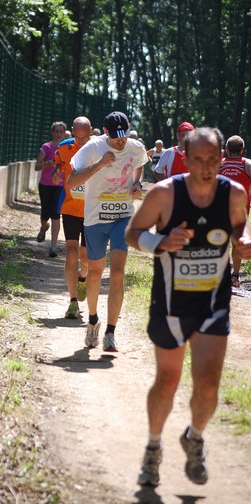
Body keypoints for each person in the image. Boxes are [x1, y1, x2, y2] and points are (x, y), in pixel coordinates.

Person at [125, 127, 251, 488]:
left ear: (222, 158)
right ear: (185, 156)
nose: (207, 167)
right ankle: (152, 449)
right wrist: (161, 241)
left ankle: (195, 438)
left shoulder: (234, 194)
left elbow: (240, 230)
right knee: (168, 381)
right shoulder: (166, 194)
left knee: (209, 385)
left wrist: (245, 242)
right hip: (170, 303)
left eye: (214, 160)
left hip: (213, 303)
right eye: (199, 159)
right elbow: (133, 235)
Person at [68, 111, 148, 351]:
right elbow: (72, 182)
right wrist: (100, 164)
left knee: (117, 274)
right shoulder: (92, 149)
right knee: (94, 273)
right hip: (95, 219)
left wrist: (137, 184)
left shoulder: (136, 148)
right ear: (105, 133)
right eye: (116, 139)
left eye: (124, 138)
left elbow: (139, 167)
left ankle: (111, 333)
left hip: (123, 216)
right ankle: (93, 320)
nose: (121, 142)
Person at [53, 117, 93, 319]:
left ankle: (83, 279)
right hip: (70, 208)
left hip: (92, 211)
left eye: (84, 138)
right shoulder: (64, 148)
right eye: (76, 138)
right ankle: (72, 302)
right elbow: (59, 164)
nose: (80, 142)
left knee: (85, 258)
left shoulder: (99, 149)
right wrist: (56, 173)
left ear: (91, 132)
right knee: (71, 254)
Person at [219, 134, 251, 287]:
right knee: (236, 244)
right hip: (240, 211)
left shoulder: (219, 164)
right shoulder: (247, 164)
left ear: (226, 150)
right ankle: (235, 276)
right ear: (242, 150)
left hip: (220, 209)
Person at [34, 121, 66, 257]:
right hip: (45, 185)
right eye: (56, 131)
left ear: (64, 133)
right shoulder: (46, 147)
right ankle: (43, 227)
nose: (58, 134)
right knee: (45, 213)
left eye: (61, 132)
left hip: (60, 186)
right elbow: (37, 166)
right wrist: (47, 164)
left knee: (55, 214)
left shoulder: (67, 148)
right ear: (52, 132)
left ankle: (53, 246)